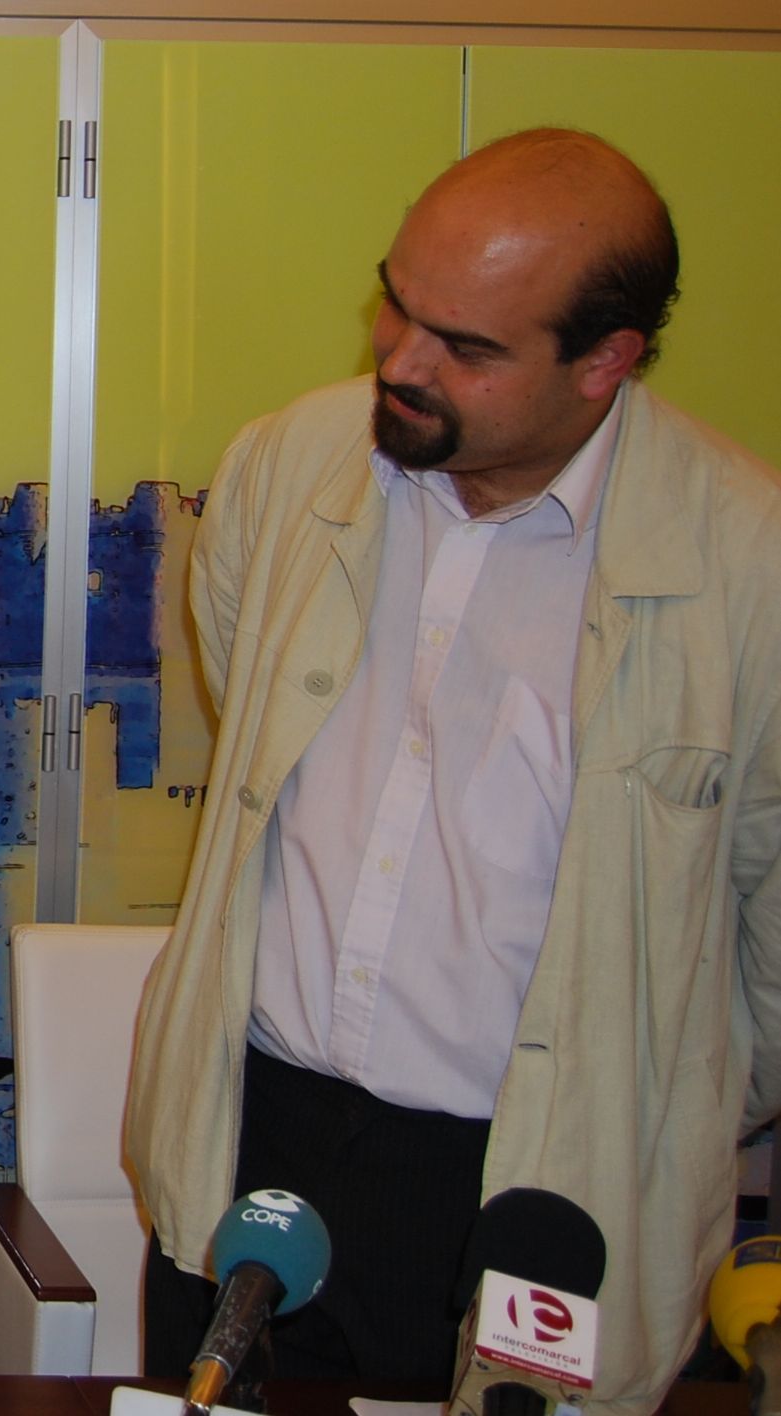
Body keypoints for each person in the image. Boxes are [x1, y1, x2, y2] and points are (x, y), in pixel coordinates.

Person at [128, 127, 781, 1414]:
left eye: (465, 346)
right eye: (396, 304)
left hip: (540, 1189)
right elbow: (247, 696)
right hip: (255, 1143)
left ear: (604, 361)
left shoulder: (745, 568)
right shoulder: (286, 464)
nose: (398, 362)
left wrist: (647, 1103)